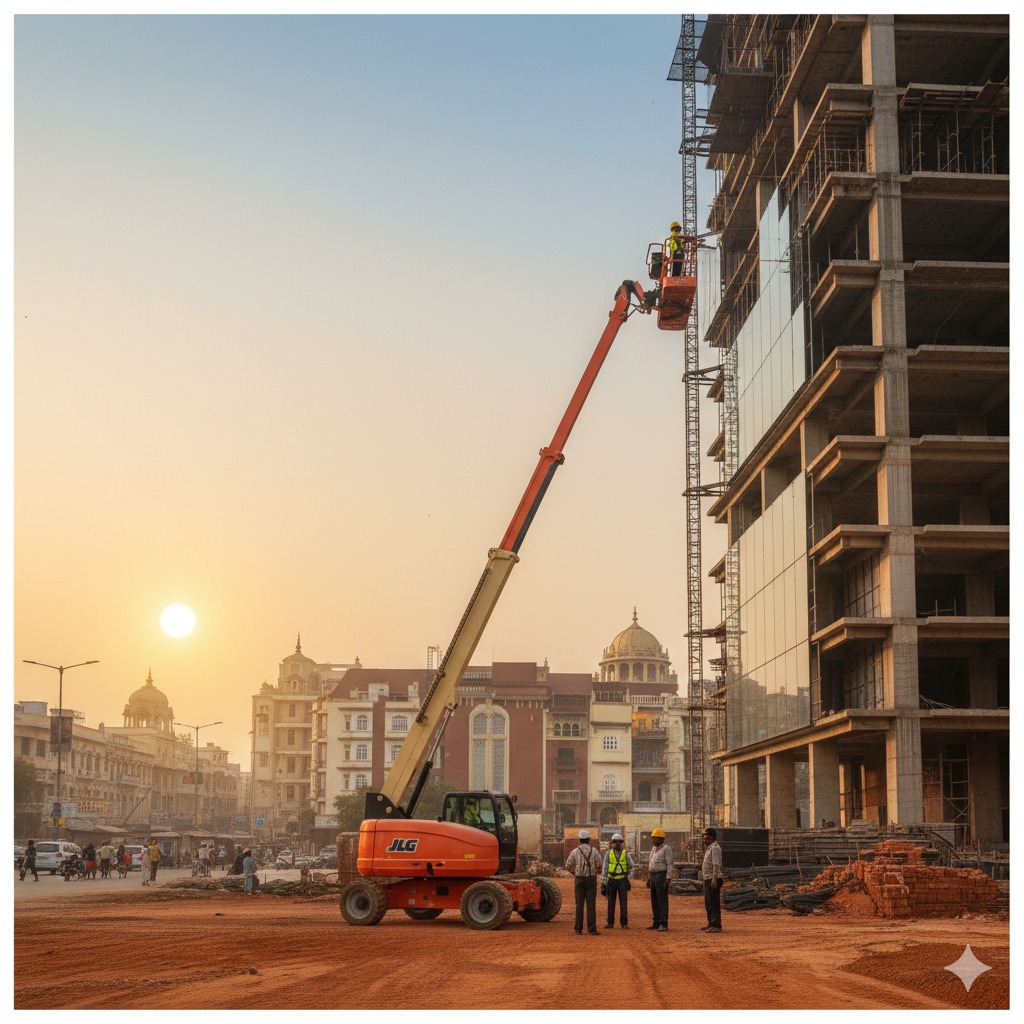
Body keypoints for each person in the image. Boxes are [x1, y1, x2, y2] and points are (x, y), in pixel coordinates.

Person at [565, 829, 602, 936]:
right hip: (591, 879)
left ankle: (578, 928)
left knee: (579, 904)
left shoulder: (575, 851)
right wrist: (594, 871)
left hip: (579, 879)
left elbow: (567, 865)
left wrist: (575, 872)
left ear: (579, 840)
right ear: (589, 839)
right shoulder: (594, 851)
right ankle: (592, 929)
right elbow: (599, 864)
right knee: (591, 905)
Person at [601, 833, 635, 929]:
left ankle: (624, 923)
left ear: (621, 843)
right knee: (611, 903)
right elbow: (605, 868)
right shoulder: (608, 853)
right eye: (614, 842)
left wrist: (628, 878)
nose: (616, 844)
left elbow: (632, 866)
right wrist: (603, 883)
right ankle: (610, 923)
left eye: (618, 842)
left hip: (622, 881)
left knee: (623, 903)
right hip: (611, 880)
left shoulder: (626, 854)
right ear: (611, 843)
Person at [646, 827, 673, 931]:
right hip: (653, 876)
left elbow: (670, 864)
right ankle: (656, 922)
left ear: (661, 839)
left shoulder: (666, 849)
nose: (653, 840)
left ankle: (664, 923)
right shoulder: (654, 849)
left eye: (655, 838)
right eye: (652, 838)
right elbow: (651, 863)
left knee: (662, 900)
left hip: (661, 876)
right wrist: (650, 877)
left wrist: (668, 878)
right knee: (654, 901)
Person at [700, 827, 724, 933]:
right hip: (707, 878)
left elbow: (716, 864)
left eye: (708, 839)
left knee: (713, 902)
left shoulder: (715, 848)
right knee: (708, 902)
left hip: (712, 878)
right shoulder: (709, 848)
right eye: (704, 838)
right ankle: (710, 923)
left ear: (713, 838)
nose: (705, 841)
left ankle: (716, 924)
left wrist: (714, 879)